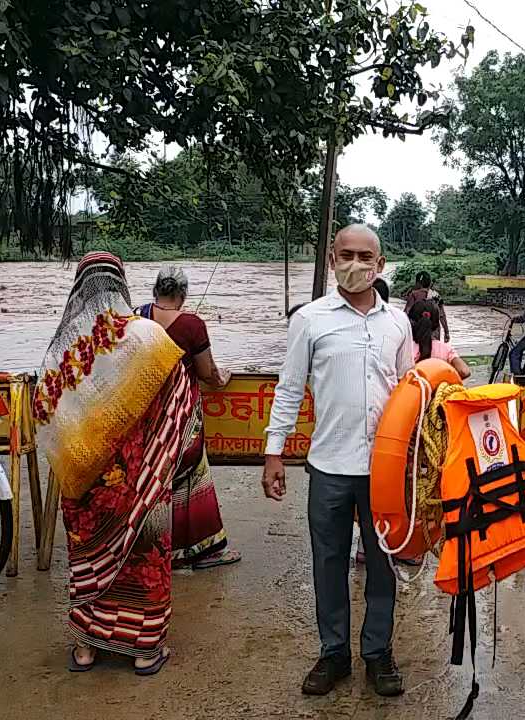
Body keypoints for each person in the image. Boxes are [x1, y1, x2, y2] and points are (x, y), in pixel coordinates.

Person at [262, 224, 413, 698]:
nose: (355, 264)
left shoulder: (398, 323)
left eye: (364, 256)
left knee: (384, 564)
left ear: (381, 264)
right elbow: (288, 387)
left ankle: (377, 653)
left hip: (385, 470)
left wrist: (420, 461)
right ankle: (333, 654)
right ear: (331, 260)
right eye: (345, 254)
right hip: (327, 465)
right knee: (327, 562)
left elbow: (412, 389)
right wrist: (274, 452)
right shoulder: (309, 319)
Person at [38, 252, 194, 675]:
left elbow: (47, 415)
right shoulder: (148, 338)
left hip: (87, 489)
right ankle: (144, 650)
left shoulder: (61, 351)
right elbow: (181, 403)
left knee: (87, 562)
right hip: (142, 483)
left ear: (78, 287)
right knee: (146, 562)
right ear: (123, 285)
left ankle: (87, 649)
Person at [135, 267, 241, 570]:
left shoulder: (135, 317)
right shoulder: (192, 325)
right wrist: (223, 378)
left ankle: (153, 549)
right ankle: (202, 551)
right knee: (193, 476)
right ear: (183, 295)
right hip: (180, 417)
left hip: (143, 416)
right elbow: (208, 373)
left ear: (155, 291)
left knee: (152, 479)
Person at [409, 299, 471, 379]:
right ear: (436, 325)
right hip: (440, 390)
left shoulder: (406, 348)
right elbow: (464, 371)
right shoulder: (446, 349)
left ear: (411, 323)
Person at [403, 271, 448, 341]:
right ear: (430, 283)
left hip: (418, 331)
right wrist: (446, 332)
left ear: (418, 283)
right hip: (434, 332)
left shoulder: (414, 295)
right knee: (434, 349)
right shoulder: (436, 295)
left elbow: (406, 313)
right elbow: (442, 316)